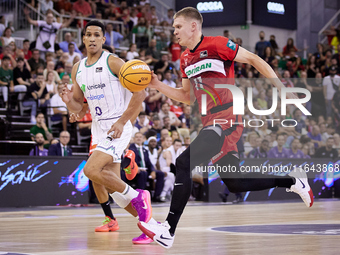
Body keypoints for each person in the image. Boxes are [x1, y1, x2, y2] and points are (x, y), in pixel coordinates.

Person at [138, 7, 314, 249]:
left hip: (228, 117)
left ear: (193, 26)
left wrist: (281, 88)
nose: (174, 31)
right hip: (209, 121)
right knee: (235, 183)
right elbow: (186, 96)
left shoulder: (218, 44)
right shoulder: (185, 59)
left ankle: (168, 229)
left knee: (183, 163)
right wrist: (157, 84)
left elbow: (254, 59)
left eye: (178, 26)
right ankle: (293, 181)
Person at [60, 20, 157, 244]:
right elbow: (77, 106)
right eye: (88, 35)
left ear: (104, 39)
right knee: (113, 187)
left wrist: (123, 122)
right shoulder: (78, 68)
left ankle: (140, 195)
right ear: (83, 39)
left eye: (97, 35)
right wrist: (67, 102)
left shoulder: (114, 62)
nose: (92, 38)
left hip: (117, 125)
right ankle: (151, 226)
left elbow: (140, 93)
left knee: (91, 169)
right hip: (98, 127)